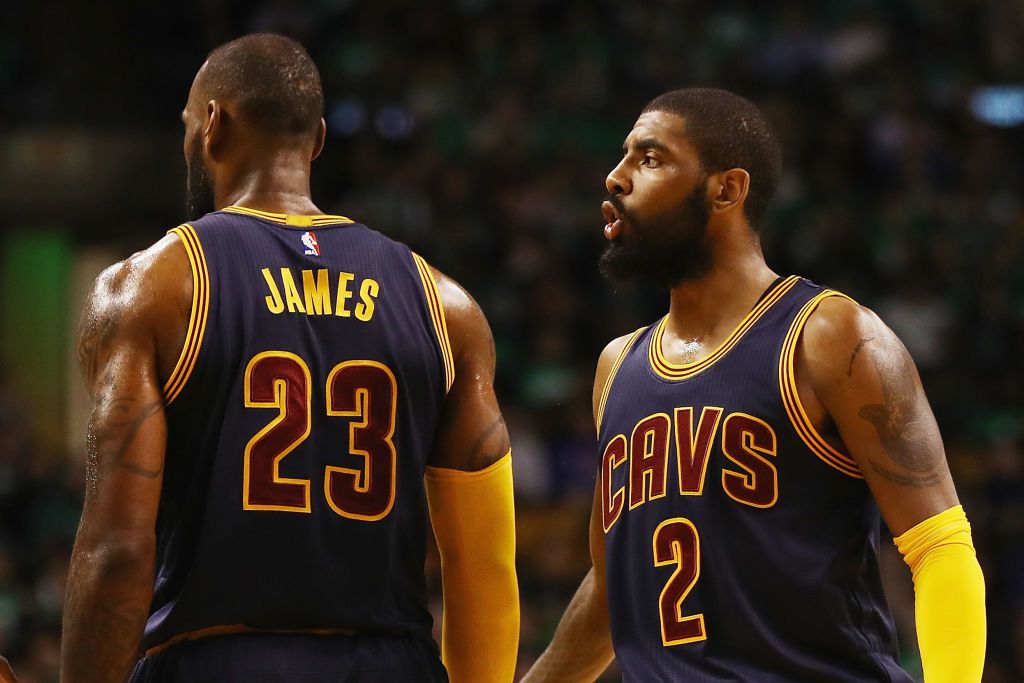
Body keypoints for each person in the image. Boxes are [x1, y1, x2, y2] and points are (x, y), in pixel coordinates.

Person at [60, 34, 518, 683]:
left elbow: (118, 552)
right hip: (391, 662)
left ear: (212, 124)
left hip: (216, 660)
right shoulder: (445, 306)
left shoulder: (153, 287)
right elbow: (483, 569)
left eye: (188, 124)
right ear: (318, 139)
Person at [524, 88, 985, 682]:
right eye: (623, 156)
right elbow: (614, 589)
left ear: (727, 190)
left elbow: (939, 546)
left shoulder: (829, 335)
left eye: (651, 158)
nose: (616, 177)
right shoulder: (617, 367)